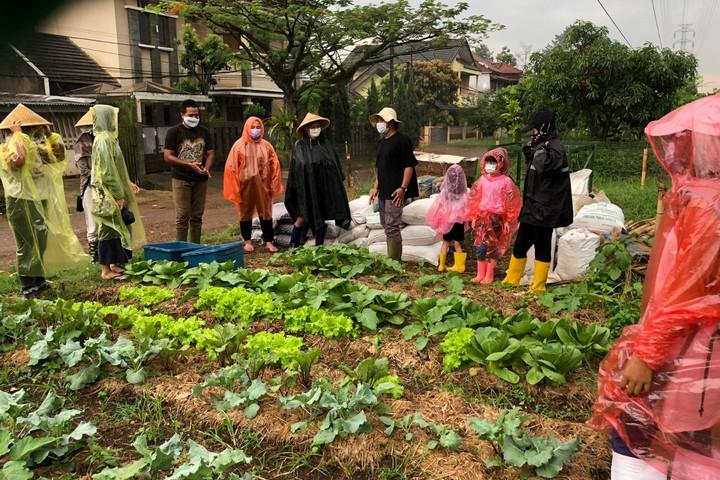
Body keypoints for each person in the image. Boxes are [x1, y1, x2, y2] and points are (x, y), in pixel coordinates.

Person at [589, 95, 720, 479]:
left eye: (689, 139)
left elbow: (687, 294)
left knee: (640, 423)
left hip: (689, 345)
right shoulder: (696, 198)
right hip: (695, 344)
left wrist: (647, 353)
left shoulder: (707, 205)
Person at [0, 104, 88, 296]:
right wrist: (17, 136)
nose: (34, 135)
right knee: (27, 241)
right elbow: (19, 161)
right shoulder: (5, 150)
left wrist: (49, 135)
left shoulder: (36, 149)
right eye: (30, 131)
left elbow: (58, 156)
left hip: (40, 198)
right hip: (20, 200)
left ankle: (39, 280)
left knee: (41, 239)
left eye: (34, 131)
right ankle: (27, 284)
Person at [502, 110, 572, 293]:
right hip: (532, 205)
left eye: (534, 130)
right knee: (521, 243)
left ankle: (539, 286)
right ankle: (512, 279)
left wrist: (537, 152)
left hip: (546, 208)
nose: (532, 134)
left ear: (544, 128)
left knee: (542, 245)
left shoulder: (555, 148)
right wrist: (530, 153)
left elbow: (545, 168)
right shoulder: (541, 145)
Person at [90, 104, 145, 280]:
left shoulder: (108, 139)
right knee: (107, 228)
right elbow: (106, 172)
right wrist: (117, 194)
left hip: (112, 190)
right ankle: (106, 270)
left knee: (116, 229)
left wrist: (127, 183)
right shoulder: (103, 140)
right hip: (107, 193)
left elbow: (116, 167)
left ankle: (113, 264)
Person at [285, 112, 351, 248]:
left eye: (317, 126)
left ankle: (318, 248)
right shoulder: (300, 146)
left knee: (321, 217)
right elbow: (297, 169)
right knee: (301, 218)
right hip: (305, 190)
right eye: (312, 126)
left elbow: (335, 167)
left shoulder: (326, 145)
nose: (315, 129)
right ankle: (293, 246)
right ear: (306, 129)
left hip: (323, 190)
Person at [223, 116, 283, 253]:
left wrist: (274, 183)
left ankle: (269, 241)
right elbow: (231, 168)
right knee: (245, 213)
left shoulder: (267, 146)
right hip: (245, 186)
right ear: (247, 128)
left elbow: (275, 166)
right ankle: (247, 241)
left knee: (266, 213)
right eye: (252, 127)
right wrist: (235, 187)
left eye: (258, 127)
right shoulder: (238, 146)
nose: (255, 130)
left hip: (264, 185)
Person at [368, 107, 419, 261]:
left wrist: (403, 188)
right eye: (377, 120)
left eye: (381, 120)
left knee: (392, 226)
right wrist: (375, 187)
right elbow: (380, 168)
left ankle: (394, 263)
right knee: (385, 223)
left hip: (395, 192)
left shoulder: (402, 140)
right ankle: (393, 260)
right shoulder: (382, 142)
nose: (378, 123)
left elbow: (409, 165)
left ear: (390, 122)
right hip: (384, 190)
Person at [163, 99, 215, 244]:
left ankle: (195, 247)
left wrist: (206, 168)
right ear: (182, 114)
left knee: (197, 215)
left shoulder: (204, 131)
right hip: (181, 178)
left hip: (200, 178)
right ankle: (181, 247)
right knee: (183, 215)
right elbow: (168, 156)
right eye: (191, 115)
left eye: (196, 115)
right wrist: (189, 164)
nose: (194, 118)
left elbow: (210, 153)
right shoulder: (173, 132)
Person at [467, 148, 522, 284]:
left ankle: (489, 275)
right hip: (482, 217)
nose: (490, 166)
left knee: (492, 248)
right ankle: (480, 274)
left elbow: (511, 201)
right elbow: (475, 198)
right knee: (480, 247)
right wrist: (474, 216)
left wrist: (509, 220)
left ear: (501, 163)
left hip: (496, 219)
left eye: (493, 162)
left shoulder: (506, 182)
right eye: (487, 162)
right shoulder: (482, 180)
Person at [426, 164, 468, 273]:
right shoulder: (463, 192)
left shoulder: (445, 192)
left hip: (447, 221)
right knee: (457, 243)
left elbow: (439, 205)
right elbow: (466, 206)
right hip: (458, 221)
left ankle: (441, 265)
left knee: (445, 242)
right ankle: (460, 266)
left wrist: (437, 216)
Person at [74, 109, 98, 261]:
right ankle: (94, 255)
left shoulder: (105, 140)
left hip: (105, 186)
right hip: (90, 186)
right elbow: (84, 171)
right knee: (92, 222)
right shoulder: (81, 145)